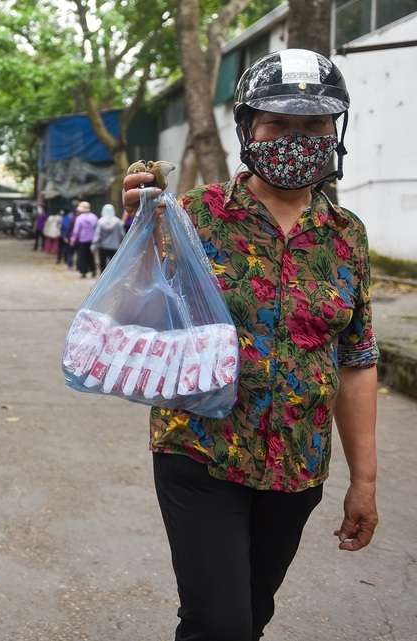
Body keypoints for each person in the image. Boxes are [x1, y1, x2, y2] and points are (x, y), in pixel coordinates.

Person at [120, 50, 378, 641]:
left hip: (296, 467)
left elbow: (357, 361)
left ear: (336, 132)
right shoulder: (193, 217)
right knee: (223, 624)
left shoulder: (347, 237)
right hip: (200, 452)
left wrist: (363, 483)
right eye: (278, 124)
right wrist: (135, 221)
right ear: (247, 129)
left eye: (315, 125)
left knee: (248, 617)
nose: (298, 139)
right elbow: (138, 302)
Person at [90, 203, 124, 273]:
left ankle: (102, 279)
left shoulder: (100, 221)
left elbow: (97, 235)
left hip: (103, 246)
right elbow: (122, 234)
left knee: (102, 264)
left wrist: (94, 245)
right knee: (113, 264)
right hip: (115, 246)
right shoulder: (118, 221)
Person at [68, 201, 97, 277]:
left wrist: (73, 240)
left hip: (82, 240)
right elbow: (96, 229)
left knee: (82, 256)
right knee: (91, 256)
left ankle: (83, 272)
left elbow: (76, 230)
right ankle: (93, 270)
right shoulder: (94, 217)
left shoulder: (79, 218)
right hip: (92, 240)